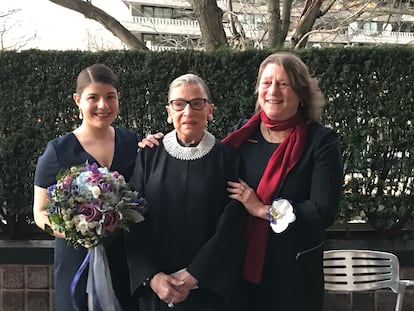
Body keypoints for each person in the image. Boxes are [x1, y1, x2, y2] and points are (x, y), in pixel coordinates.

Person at [140, 52, 343, 311]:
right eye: (266, 82)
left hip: (291, 272)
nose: (273, 91)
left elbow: (322, 212)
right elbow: (203, 158)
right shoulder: (243, 133)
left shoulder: (321, 142)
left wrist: (263, 210)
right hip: (239, 270)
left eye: (283, 83)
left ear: (300, 92)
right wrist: (159, 143)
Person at [125, 73, 247, 311]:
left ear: (209, 109)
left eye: (197, 103)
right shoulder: (149, 156)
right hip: (157, 292)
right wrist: (153, 276)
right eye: (179, 104)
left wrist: (196, 274)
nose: (188, 112)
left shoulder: (228, 159)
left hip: (207, 289)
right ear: (169, 112)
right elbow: (132, 217)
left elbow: (232, 224)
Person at [33, 63, 139, 311]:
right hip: (76, 261)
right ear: (78, 100)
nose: (103, 105)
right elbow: (40, 212)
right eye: (93, 97)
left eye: (110, 97)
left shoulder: (131, 142)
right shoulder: (57, 151)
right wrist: (76, 233)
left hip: (124, 259)